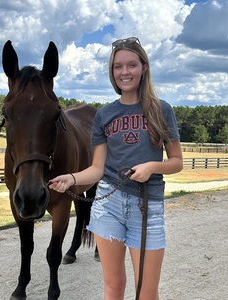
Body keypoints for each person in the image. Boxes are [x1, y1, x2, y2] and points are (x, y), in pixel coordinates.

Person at [49, 37, 183, 300]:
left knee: (146, 291)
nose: (125, 72)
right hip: (108, 205)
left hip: (147, 206)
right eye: (118, 67)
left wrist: (152, 166)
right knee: (113, 287)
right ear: (112, 72)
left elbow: (176, 161)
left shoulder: (161, 110)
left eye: (131, 65)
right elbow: (97, 168)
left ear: (144, 67)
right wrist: (72, 178)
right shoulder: (105, 115)